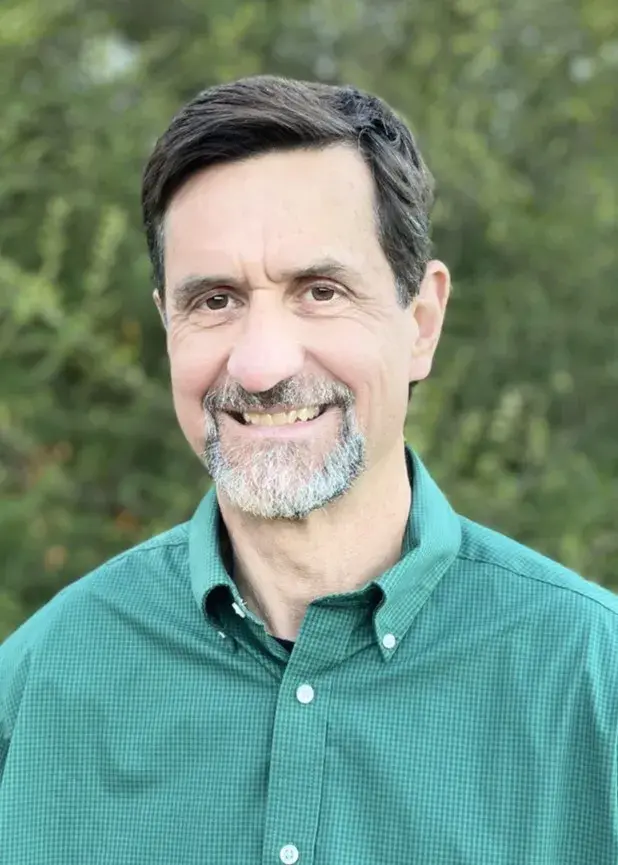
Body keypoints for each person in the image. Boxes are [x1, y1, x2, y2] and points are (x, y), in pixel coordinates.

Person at [1, 75, 617, 865]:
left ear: (422, 321)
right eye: (215, 300)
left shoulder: (594, 683)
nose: (261, 365)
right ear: (166, 323)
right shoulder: (36, 689)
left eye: (320, 291)